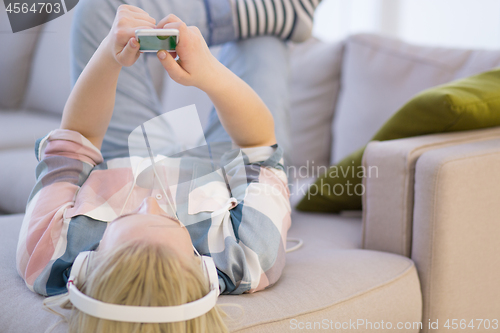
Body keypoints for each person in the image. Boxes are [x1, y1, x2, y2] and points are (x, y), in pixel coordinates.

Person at [16, 0, 321, 331]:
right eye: (169, 220)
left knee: (102, 10)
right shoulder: (250, 255)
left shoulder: (49, 253)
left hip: (124, 157)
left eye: (130, 215)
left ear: (86, 263)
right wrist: (209, 74)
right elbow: (257, 146)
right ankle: (278, 13)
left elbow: (77, 138)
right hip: (225, 172)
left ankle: (264, 12)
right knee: (263, 43)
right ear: (203, 268)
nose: (154, 199)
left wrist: (109, 56)